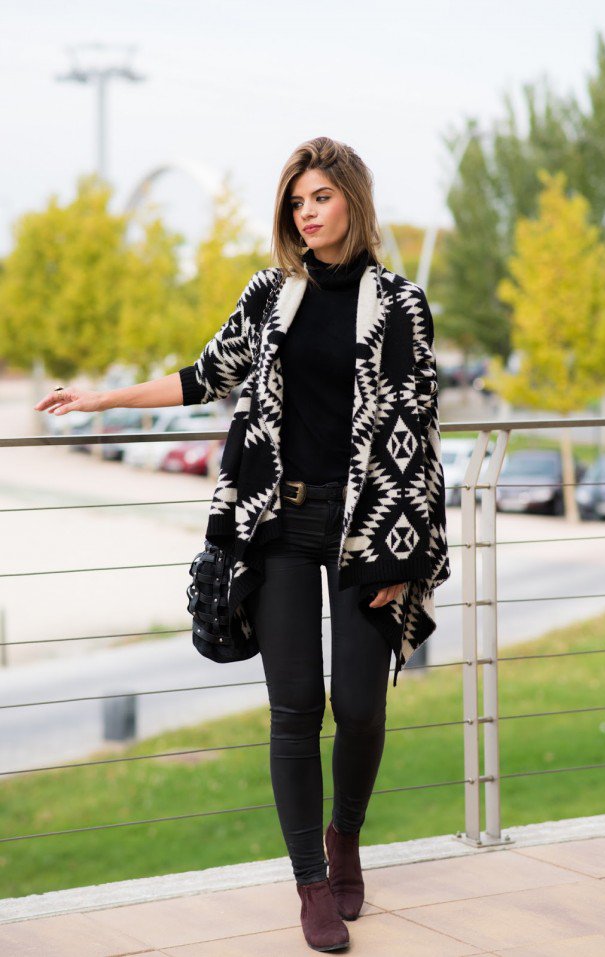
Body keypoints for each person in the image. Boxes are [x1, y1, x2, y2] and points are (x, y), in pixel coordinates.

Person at [34, 136, 450, 953]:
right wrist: (101, 398)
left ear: (352, 203)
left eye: (321, 197)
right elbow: (202, 377)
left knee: (362, 706)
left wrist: (403, 557)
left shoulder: (401, 303)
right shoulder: (271, 294)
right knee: (295, 708)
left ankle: (346, 837)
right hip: (279, 526)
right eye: (297, 201)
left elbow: (418, 430)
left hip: (368, 528)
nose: (307, 212)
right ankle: (310, 884)